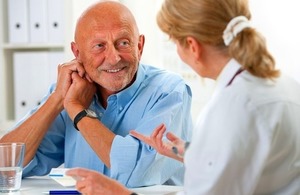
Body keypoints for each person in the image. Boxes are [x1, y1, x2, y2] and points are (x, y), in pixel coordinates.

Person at [67, 0, 300, 194]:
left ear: (192, 46)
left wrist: (119, 193)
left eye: (174, 42)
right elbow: (252, 164)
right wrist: (193, 154)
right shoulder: (284, 85)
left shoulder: (232, 106)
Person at [0, 0, 193, 188]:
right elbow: (5, 166)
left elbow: (136, 173)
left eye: (123, 43)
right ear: (77, 52)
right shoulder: (67, 93)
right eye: (99, 46)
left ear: (139, 46)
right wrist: (57, 100)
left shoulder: (169, 90)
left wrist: (78, 111)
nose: (114, 58)